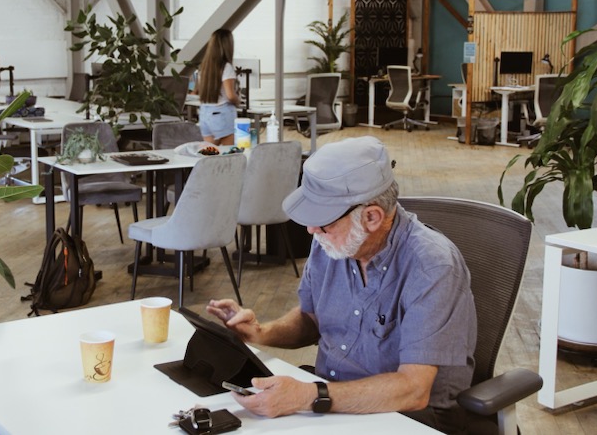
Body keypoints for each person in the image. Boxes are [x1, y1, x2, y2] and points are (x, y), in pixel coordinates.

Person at [207, 136, 477, 433]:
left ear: (372, 217)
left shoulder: (432, 266)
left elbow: (413, 390)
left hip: (412, 418)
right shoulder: (335, 242)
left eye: (323, 220)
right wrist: (259, 332)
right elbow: (312, 321)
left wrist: (308, 396)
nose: (312, 229)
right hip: (330, 399)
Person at [196, 28, 240, 145]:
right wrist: (238, 101)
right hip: (222, 113)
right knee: (228, 155)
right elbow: (230, 95)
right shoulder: (226, 67)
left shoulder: (204, 67)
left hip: (205, 113)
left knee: (210, 154)